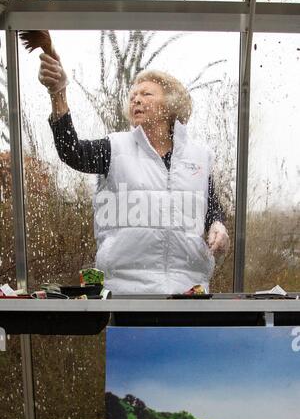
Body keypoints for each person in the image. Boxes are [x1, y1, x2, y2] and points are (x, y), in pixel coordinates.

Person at [38, 50, 230, 295]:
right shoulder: (114, 148)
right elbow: (72, 151)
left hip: (189, 293)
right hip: (125, 294)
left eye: (146, 94)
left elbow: (210, 206)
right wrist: (58, 92)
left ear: (171, 104)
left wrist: (218, 225)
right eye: (133, 96)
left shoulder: (199, 156)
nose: (136, 100)